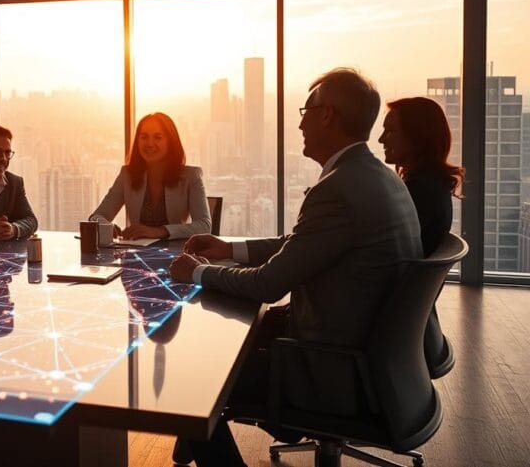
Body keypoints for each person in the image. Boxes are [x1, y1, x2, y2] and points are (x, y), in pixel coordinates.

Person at [168, 68, 422, 466]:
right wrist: (228, 248)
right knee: (228, 343)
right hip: (371, 361)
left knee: (194, 378)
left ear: (327, 115)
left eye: (306, 110)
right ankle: (194, 441)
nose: (300, 122)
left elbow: (269, 284)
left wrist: (197, 272)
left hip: (330, 373)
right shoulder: (375, 177)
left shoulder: (339, 188)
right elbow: (300, 245)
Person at [378, 96, 465, 377]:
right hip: (412, 332)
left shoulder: (416, 195)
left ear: (417, 137)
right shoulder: (431, 187)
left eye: (391, 131)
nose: (380, 138)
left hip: (382, 327)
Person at [90, 112, 210, 240]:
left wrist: (160, 231)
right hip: (136, 253)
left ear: (171, 142)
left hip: (176, 255)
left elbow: (204, 226)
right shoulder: (127, 175)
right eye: (144, 137)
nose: (150, 143)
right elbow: (96, 217)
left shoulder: (191, 176)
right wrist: (106, 226)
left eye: (157, 137)